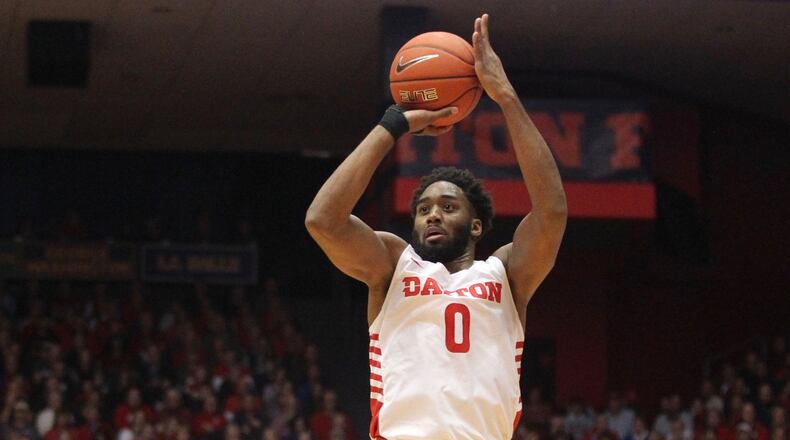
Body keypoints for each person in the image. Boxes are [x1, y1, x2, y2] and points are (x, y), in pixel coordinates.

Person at [305, 13, 567, 440]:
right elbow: (323, 221)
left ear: (477, 226)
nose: (432, 215)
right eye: (423, 208)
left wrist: (505, 97)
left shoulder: (506, 274)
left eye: (448, 206)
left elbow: (551, 212)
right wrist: (392, 126)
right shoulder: (394, 265)